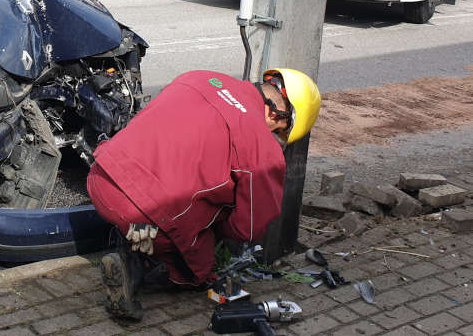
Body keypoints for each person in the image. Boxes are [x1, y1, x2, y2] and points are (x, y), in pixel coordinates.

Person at [86, 68, 321, 319]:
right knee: (199, 269)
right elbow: (249, 228)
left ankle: (132, 239)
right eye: (280, 130)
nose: (274, 134)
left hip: (101, 176)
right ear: (278, 113)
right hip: (139, 209)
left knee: (171, 202)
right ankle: (134, 269)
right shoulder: (262, 147)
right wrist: (214, 228)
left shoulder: (200, 77)